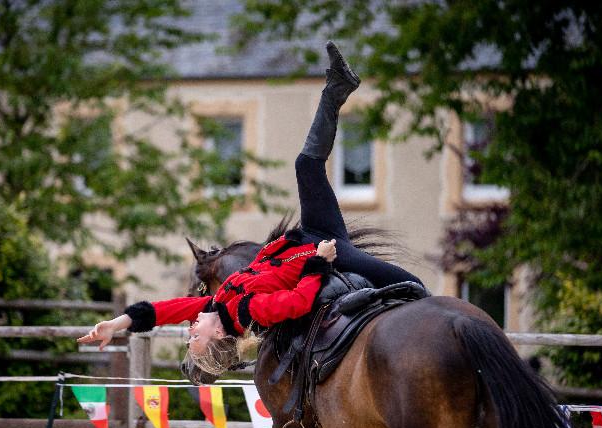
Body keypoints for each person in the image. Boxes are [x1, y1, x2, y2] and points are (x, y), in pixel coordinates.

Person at [78, 41, 425, 370]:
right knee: (414, 287)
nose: (190, 330)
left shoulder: (215, 304)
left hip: (305, 235)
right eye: (193, 339)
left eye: (189, 335)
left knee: (306, 165)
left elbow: (159, 311)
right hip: (324, 251)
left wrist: (116, 323)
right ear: (217, 334)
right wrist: (320, 262)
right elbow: (298, 302)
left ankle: (336, 88)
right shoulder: (249, 312)